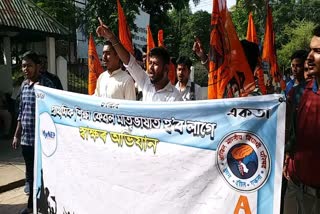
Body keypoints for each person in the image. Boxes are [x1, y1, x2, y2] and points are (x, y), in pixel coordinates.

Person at [12, 51, 56, 214]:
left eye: (29, 65)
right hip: (26, 140)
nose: (26, 69)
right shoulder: (24, 86)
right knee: (30, 174)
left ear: (38, 66)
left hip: (43, 140)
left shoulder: (47, 85)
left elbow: (53, 111)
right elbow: (21, 112)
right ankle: (32, 207)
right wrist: (17, 135)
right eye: (23, 66)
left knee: (44, 174)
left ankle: (45, 206)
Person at [96, 18, 182, 102]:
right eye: (150, 63)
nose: (150, 67)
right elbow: (129, 62)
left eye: (155, 64)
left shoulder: (175, 98)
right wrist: (112, 37)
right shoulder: (146, 82)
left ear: (166, 68)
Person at [283, 25, 320, 214]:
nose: (310, 57)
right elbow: (290, 134)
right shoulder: (297, 94)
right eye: (310, 50)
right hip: (295, 188)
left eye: (317, 51)